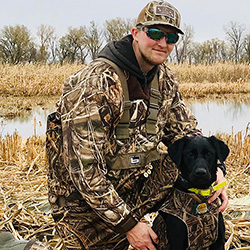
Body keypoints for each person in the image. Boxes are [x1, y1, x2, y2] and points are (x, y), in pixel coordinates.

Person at [46, 1, 228, 249]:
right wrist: (129, 225)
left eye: (171, 37)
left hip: (132, 192)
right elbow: (83, 171)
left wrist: (217, 172)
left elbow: (186, 133)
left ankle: (179, 231)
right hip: (84, 206)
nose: (162, 43)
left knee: (177, 159)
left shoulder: (163, 78)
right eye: (154, 33)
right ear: (135, 33)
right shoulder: (96, 83)